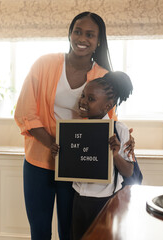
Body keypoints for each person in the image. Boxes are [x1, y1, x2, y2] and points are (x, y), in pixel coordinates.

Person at [14, 12, 134, 240]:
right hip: (39, 161)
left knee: (69, 233)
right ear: (69, 34)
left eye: (90, 34)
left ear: (98, 41)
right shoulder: (44, 64)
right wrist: (53, 144)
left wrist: (125, 139)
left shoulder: (103, 76)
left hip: (77, 166)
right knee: (39, 231)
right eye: (77, 31)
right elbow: (25, 112)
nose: (82, 38)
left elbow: (109, 121)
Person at [51, 71, 135, 240]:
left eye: (91, 99)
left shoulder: (119, 130)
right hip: (79, 200)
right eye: (83, 96)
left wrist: (116, 154)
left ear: (107, 106)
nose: (83, 101)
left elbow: (129, 172)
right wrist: (58, 155)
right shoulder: (73, 130)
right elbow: (72, 165)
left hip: (106, 201)